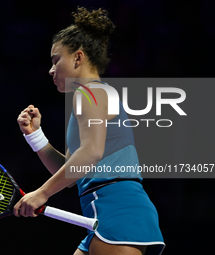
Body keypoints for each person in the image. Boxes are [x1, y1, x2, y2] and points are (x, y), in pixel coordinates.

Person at [13, 7, 165, 255]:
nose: (51, 70)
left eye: (55, 60)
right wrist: (35, 136)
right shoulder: (92, 96)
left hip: (116, 209)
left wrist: (42, 193)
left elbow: (91, 153)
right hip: (107, 212)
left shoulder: (89, 93)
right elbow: (74, 173)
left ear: (78, 57)